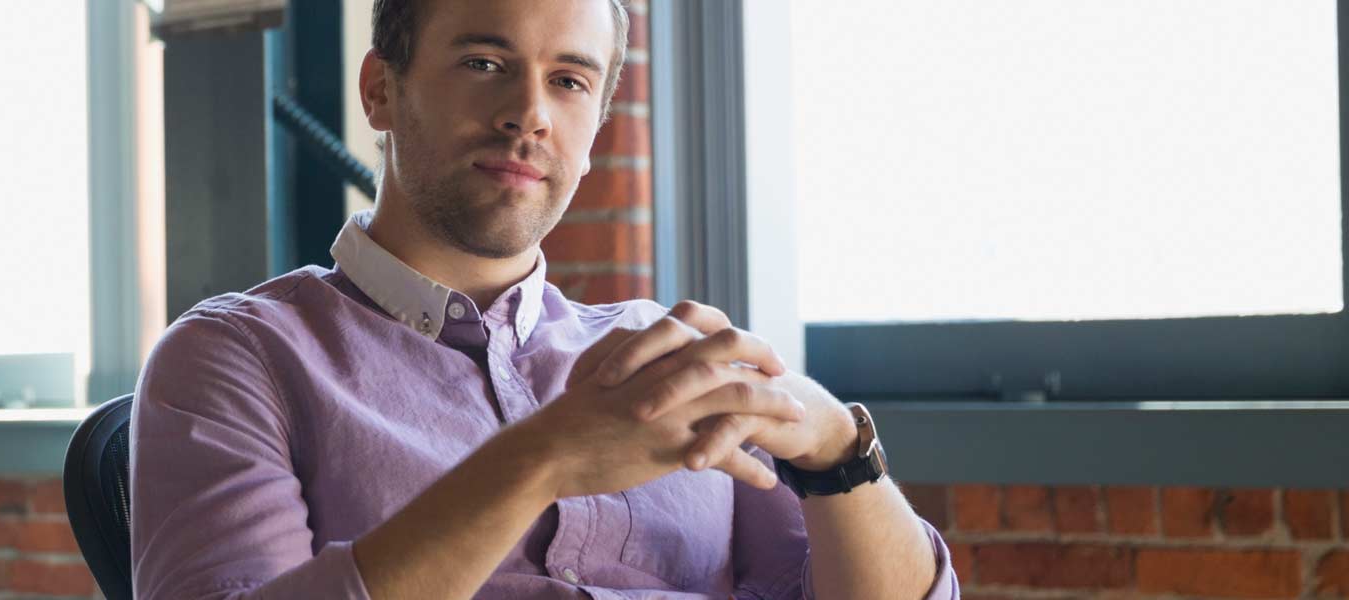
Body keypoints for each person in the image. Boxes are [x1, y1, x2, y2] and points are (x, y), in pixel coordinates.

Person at [128, 0, 957, 597]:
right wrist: (542, 460)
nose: (528, 114)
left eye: (568, 81)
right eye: (483, 64)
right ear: (379, 89)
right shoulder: (236, 359)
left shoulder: (667, 358)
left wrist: (837, 446)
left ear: (595, 129)